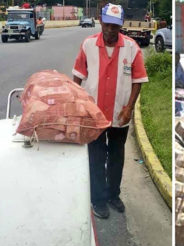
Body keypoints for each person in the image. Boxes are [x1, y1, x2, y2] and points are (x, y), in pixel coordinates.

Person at [72, 3, 148, 219]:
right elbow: (78, 76)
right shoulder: (88, 45)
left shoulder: (132, 48)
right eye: (107, 25)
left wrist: (129, 108)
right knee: (95, 157)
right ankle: (98, 199)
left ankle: (113, 194)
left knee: (116, 156)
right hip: (93, 114)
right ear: (100, 21)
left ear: (120, 25)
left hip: (119, 114)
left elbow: (138, 80)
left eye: (115, 26)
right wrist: (78, 104)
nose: (110, 30)